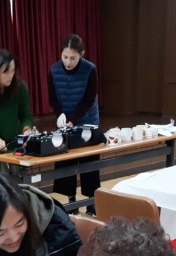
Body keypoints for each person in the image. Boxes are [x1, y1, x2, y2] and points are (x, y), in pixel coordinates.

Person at [48, 33, 101, 213]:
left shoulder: (90, 70)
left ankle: (92, 201)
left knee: (89, 163)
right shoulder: (54, 70)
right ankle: (70, 202)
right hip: (64, 121)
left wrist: (73, 119)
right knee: (65, 160)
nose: (68, 62)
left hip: (87, 121)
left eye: (72, 58)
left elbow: (89, 100)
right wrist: (60, 115)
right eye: (65, 57)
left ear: (81, 54)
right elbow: (52, 98)